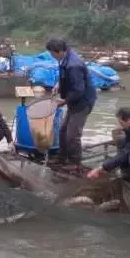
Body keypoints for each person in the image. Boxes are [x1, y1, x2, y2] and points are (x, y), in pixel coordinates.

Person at [46, 38, 97, 166]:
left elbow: (79, 90)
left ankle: (75, 163)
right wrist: (58, 84)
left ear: (58, 52)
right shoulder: (65, 57)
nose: (51, 56)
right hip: (74, 101)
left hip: (82, 102)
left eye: (52, 53)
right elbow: (64, 75)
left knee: (73, 135)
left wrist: (63, 101)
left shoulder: (74, 65)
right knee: (63, 130)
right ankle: (62, 157)